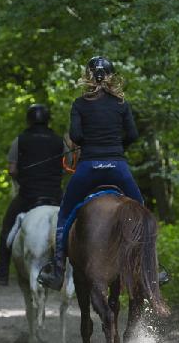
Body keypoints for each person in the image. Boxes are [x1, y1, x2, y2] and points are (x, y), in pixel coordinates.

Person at [37, 56, 144, 291]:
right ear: (111, 77)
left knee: (65, 212)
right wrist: (116, 147)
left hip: (88, 168)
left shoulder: (80, 104)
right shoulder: (121, 104)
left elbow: (75, 135)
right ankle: (149, 268)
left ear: (88, 77)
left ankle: (57, 270)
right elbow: (133, 135)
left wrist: (91, 143)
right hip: (117, 167)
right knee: (140, 210)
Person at [0, 103, 66, 286]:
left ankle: (2, 271)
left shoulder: (20, 140)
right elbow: (65, 168)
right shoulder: (59, 141)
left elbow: (12, 170)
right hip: (55, 196)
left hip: (29, 196)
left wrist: (22, 174)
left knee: (6, 229)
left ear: (29, 119)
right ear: (48, 119)